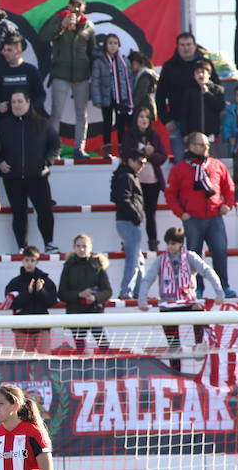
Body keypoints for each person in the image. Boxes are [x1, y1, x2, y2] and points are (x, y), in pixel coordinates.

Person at [137, 227, 224, 368]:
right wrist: (142, 299)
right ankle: (175, 373)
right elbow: (148, 279)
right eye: (168, 243)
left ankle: (199, 345)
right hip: (168, 305)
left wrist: (219, 292)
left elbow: (207, 271)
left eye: (173, 243)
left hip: (187, 301)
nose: (170, 247)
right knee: (173, 346)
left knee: (198, 312)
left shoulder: (190, 257)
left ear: (180, 243)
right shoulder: (160, 260)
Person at [166, 131, 237, 297]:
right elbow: (170, 194)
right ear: (191, 146)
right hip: (192, 219)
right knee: (194, 256)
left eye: (207, 145)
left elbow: (229, 187)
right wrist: (180, 213)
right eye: (201, 144)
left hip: (214, 217)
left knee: (220, 252)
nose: (205, 148)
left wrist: (228, 204)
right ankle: (196, 288)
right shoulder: (180, 169)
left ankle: (223, 286)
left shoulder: (216, 165)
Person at [0, 90, 62, 253]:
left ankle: (49, 243)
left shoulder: (42, 123)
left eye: (20, 101)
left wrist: (47, 163)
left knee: (44, 210)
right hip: (12, 178)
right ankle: (22, 247)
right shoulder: (3, 124)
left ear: (28, 102)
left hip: (38, 177)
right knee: (19, 213)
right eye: (14, 102)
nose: (17, 105)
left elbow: (55, 145)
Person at [40, 0, 97, 157]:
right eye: (73, 4)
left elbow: (92, 52)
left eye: (79, 5)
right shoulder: (58, 18)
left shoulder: (89, 26)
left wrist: (94, 76)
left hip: (82, 76)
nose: (76, 8)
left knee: (82, 114)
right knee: (56, 112)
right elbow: (43, 37)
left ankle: (79, 148)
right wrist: (62, 25)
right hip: (61, 74)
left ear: (83, 7)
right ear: (69, 5)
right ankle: (53, 149)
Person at [157, 32, 220, 162]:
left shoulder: (205, 64)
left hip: (202, 122)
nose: (186, 48)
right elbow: (160, 96)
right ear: (177, 46)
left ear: (195, 46)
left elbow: (217, 89)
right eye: (182, 45)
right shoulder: (169, 67)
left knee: (207, 165)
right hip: (178, 121)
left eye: (189, 45)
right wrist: (166, 119)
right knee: (181, 162)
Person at [121, 106, 170, 251]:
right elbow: (126, 154)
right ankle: (127, 242)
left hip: (152, 181)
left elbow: (162, 157)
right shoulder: (129, 135)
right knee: (132, 212)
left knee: (151, 213)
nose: (143, 120)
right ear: (135, 119)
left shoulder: (154, 135)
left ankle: (153, 243)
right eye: (141, 116)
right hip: (134, 181)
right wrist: (142, 151)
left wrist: (150, 154)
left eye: (146, 117)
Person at [58, 235, 112, 352]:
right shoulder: (68, 266)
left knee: (106, 348)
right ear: (74, 247)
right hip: (75, 314)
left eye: (84, 246)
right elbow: (61, 293)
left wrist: (95, 297)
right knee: (81, 353)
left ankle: (114, 371)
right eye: (78, 246)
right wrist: (79, 294)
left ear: (90, 247)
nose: (81, 249)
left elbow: (107, 291)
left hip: (95, 313)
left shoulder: (97, 265)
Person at [5, 247, 59, 352]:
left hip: (42, 328)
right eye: (27, 260)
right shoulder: (15, 283)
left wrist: (41, 291)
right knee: (25, 364)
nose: (29, 263)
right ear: (22, 261)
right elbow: (11, 304)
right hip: (22, 329)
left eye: (32, 260)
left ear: (37, 261)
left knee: (44, 362)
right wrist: (28, 293)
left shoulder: (45, 280)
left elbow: (52, 302)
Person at [110, 153, 148, 299]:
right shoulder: (127, 177)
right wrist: (136, 216)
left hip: (126, 222)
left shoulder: (124, 175)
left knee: (138, 261)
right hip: (129, 222)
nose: (142, 165)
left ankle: (137, 291)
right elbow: (124, 199)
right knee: (133, 260)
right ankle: (127, 292)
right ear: (130, 160)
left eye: (144, 163)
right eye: (140, 162)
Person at [91, 33, 133, 157]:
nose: (113, 46)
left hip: (121, 97)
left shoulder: (124, 61)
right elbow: (95, 81)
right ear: (105, 46)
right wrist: (97, 99)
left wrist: (129, 96)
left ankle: (121, 147)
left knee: (121, 123)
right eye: (110, 43)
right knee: (107, 122)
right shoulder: (99, 62)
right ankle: (107, 149)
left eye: (115, 43)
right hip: (106, 97)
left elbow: (130, 79)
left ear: (119, 45)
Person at [0, 34, 46, 120]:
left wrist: (30, 109)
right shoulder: (0, 72)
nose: (5, 53)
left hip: (28, 119)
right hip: (6, 120)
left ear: (18, 51)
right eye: (4, 50)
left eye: (9, 50)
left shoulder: (31, 70)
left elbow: (41, 95)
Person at [170, 60, 226, 146]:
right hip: (194, 136)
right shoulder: (189, 92)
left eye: (203, 72)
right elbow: (184, 115)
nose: (200, 75)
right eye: (197, 72)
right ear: (194, 75)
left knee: (212, 159)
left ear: (209, 74)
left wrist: (207, 94)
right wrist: (185, 134)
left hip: (212, 135)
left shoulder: (217, 89)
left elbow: (219, 106)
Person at [128, 50, 158, 122]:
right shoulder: (144, 74)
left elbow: (141, 93)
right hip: (145, 109)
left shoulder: (145, 75)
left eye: (131, 65)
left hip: (145, 110)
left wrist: (131, 106)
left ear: (135, 63)